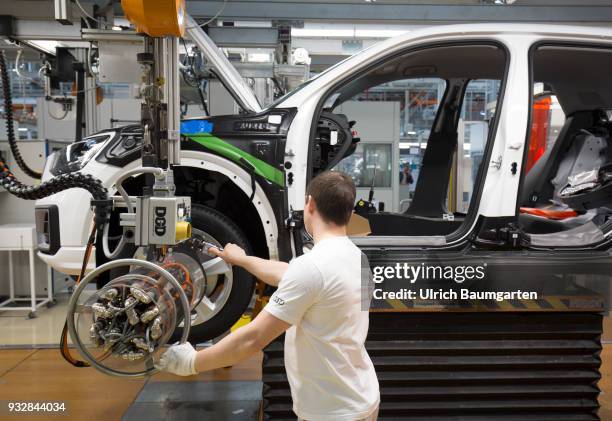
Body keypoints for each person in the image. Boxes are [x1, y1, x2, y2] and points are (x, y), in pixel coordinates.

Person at [158, 170, 380, 421]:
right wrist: (241, 260)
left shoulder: (312, 267)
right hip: (362, 395)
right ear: (350, 213)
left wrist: (192, 362)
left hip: (333, 412)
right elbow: (293, 275)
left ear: (309, 204)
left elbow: (252, 339)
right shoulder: (356, 259)